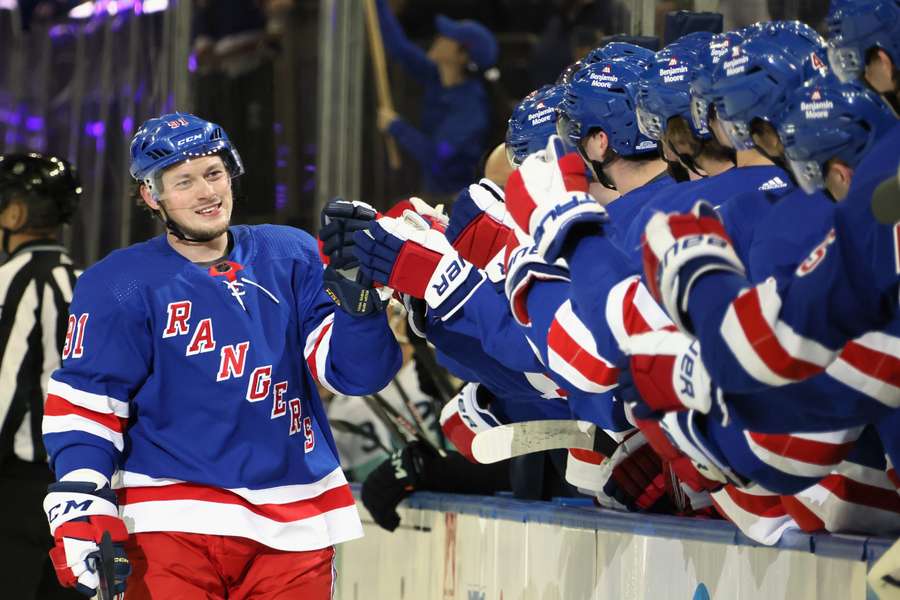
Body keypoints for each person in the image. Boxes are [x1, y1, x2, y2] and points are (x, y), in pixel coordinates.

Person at [41, 113, 401, 599]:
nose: (206, 192)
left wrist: (361, 309)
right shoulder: (117, 283)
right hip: (168, 517)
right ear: (152, 196)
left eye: (213, 174)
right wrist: (83, 498)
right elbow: (89, 405)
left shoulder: (290, 254)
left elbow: (356, 377)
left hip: (295, 516)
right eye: (183, 181)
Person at [0, 153, 83, 600]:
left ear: (14, 213)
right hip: (80, 489)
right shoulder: (89, 283)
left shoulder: (6, 282)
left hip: (14, 490)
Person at [375, 0, 498, 199]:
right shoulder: (438, 77)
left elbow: (438, 156)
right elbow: (399, 47)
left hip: (452, 201)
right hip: (432, 192)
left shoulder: (470, 109)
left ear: (461, 55)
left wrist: (396, 126)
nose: (439, 37)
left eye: (448, 36)